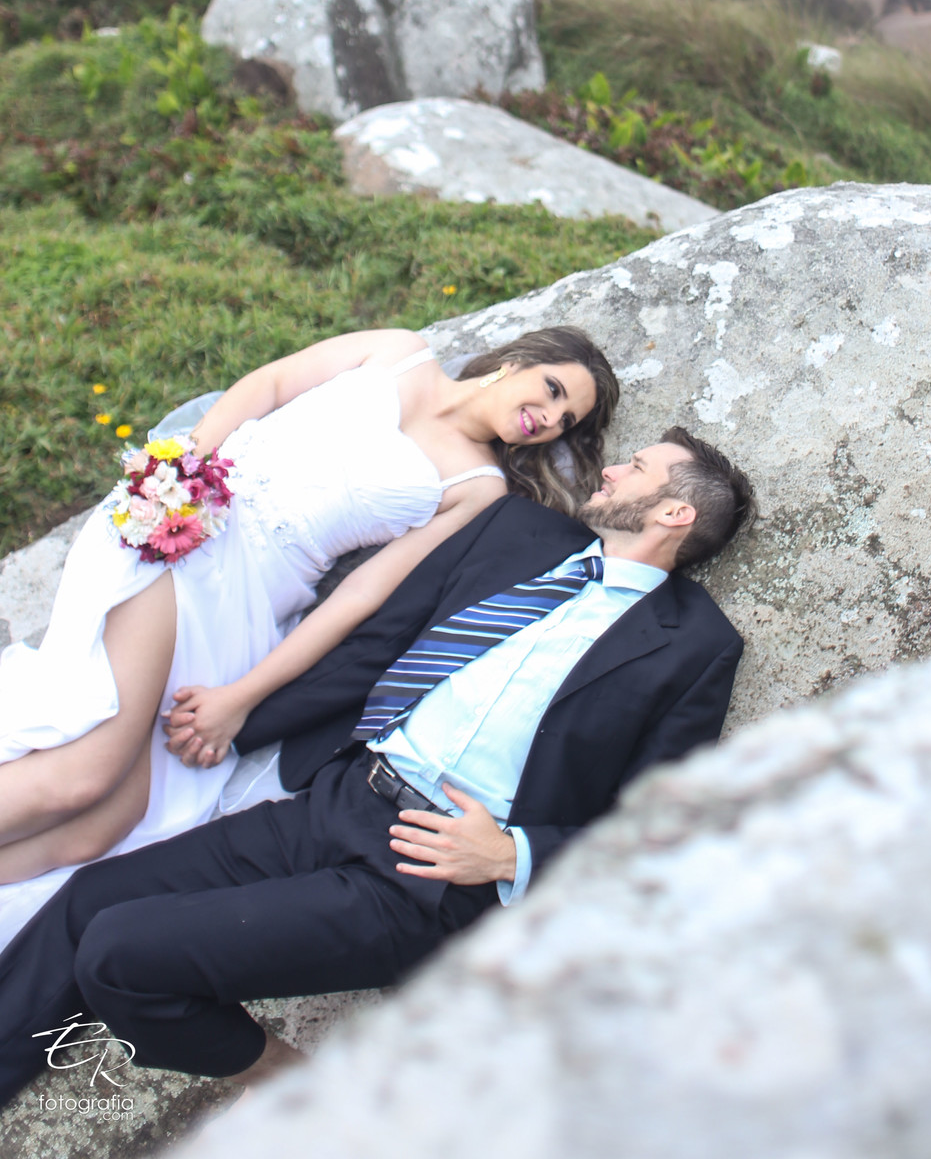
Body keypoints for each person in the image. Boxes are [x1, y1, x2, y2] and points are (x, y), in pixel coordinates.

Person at [0, 428, 754, 1106]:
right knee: (89, 900)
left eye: (637, 467)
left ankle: (291, 1082)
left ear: (674, 513)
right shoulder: (520, 532)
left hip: (431, 875)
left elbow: (658, 828)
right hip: (342, 798)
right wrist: (236, 718)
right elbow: (381, 640)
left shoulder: (695, 645)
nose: (613, 469)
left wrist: (511, 856)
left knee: (121, 953)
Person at [0, 326, 616, 935]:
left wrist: (241, 699)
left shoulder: (479, 488)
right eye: (553, 390)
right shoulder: (400, 352)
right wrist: (178, 477)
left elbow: (360, 595)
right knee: (88, 774)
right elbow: (269, 385)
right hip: (181, 535)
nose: (549, 417)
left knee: (113, 819)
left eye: (566, 421)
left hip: (250, 606)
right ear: (518, 362)